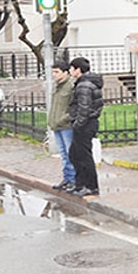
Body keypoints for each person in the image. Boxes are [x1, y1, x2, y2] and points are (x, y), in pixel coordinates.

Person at [67, 57, 104, 197]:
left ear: (78, 70)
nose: (70, 71)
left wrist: (77, 124)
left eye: (71, 68)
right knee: (75, 155)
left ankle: (91, 186)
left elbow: (84, 107)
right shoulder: (84, 83)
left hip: (85, 124)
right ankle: (80, 184)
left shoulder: (84, 86)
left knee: (84, 156)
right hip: (85, 123)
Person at [49, 61, 76, 191]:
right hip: (57, 125)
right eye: (53, 72)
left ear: (65, 72)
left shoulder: (70, 86)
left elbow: (73, 107)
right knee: (63, 154)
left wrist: (64, 119)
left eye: (57, 72)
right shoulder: (57, 86)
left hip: (66, 125)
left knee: (70, 153)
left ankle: (73, 180)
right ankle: (67, 179)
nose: (54, 75)